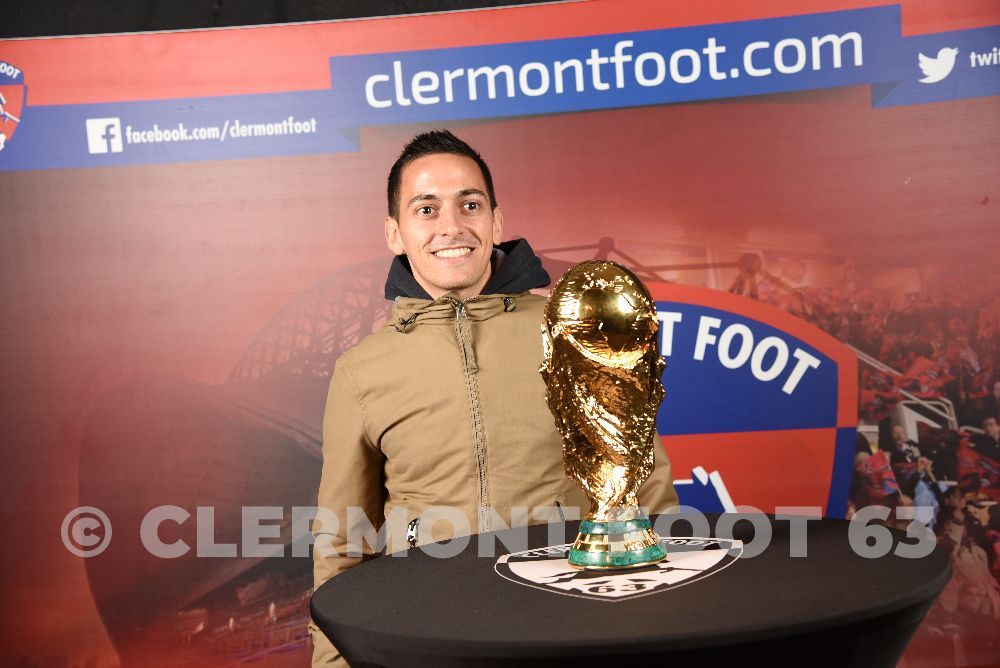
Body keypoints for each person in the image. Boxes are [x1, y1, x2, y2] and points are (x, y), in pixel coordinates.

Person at [309, 130, 679, 666]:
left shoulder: (570, 331)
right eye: (427, 208)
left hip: (574, 628)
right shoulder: (361, 371)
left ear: (496, 221)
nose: (451, 227)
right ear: (395, 232)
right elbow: (342, 543)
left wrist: (668, 620)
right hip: (429, 636)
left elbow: (645, 489)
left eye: (470, 204)